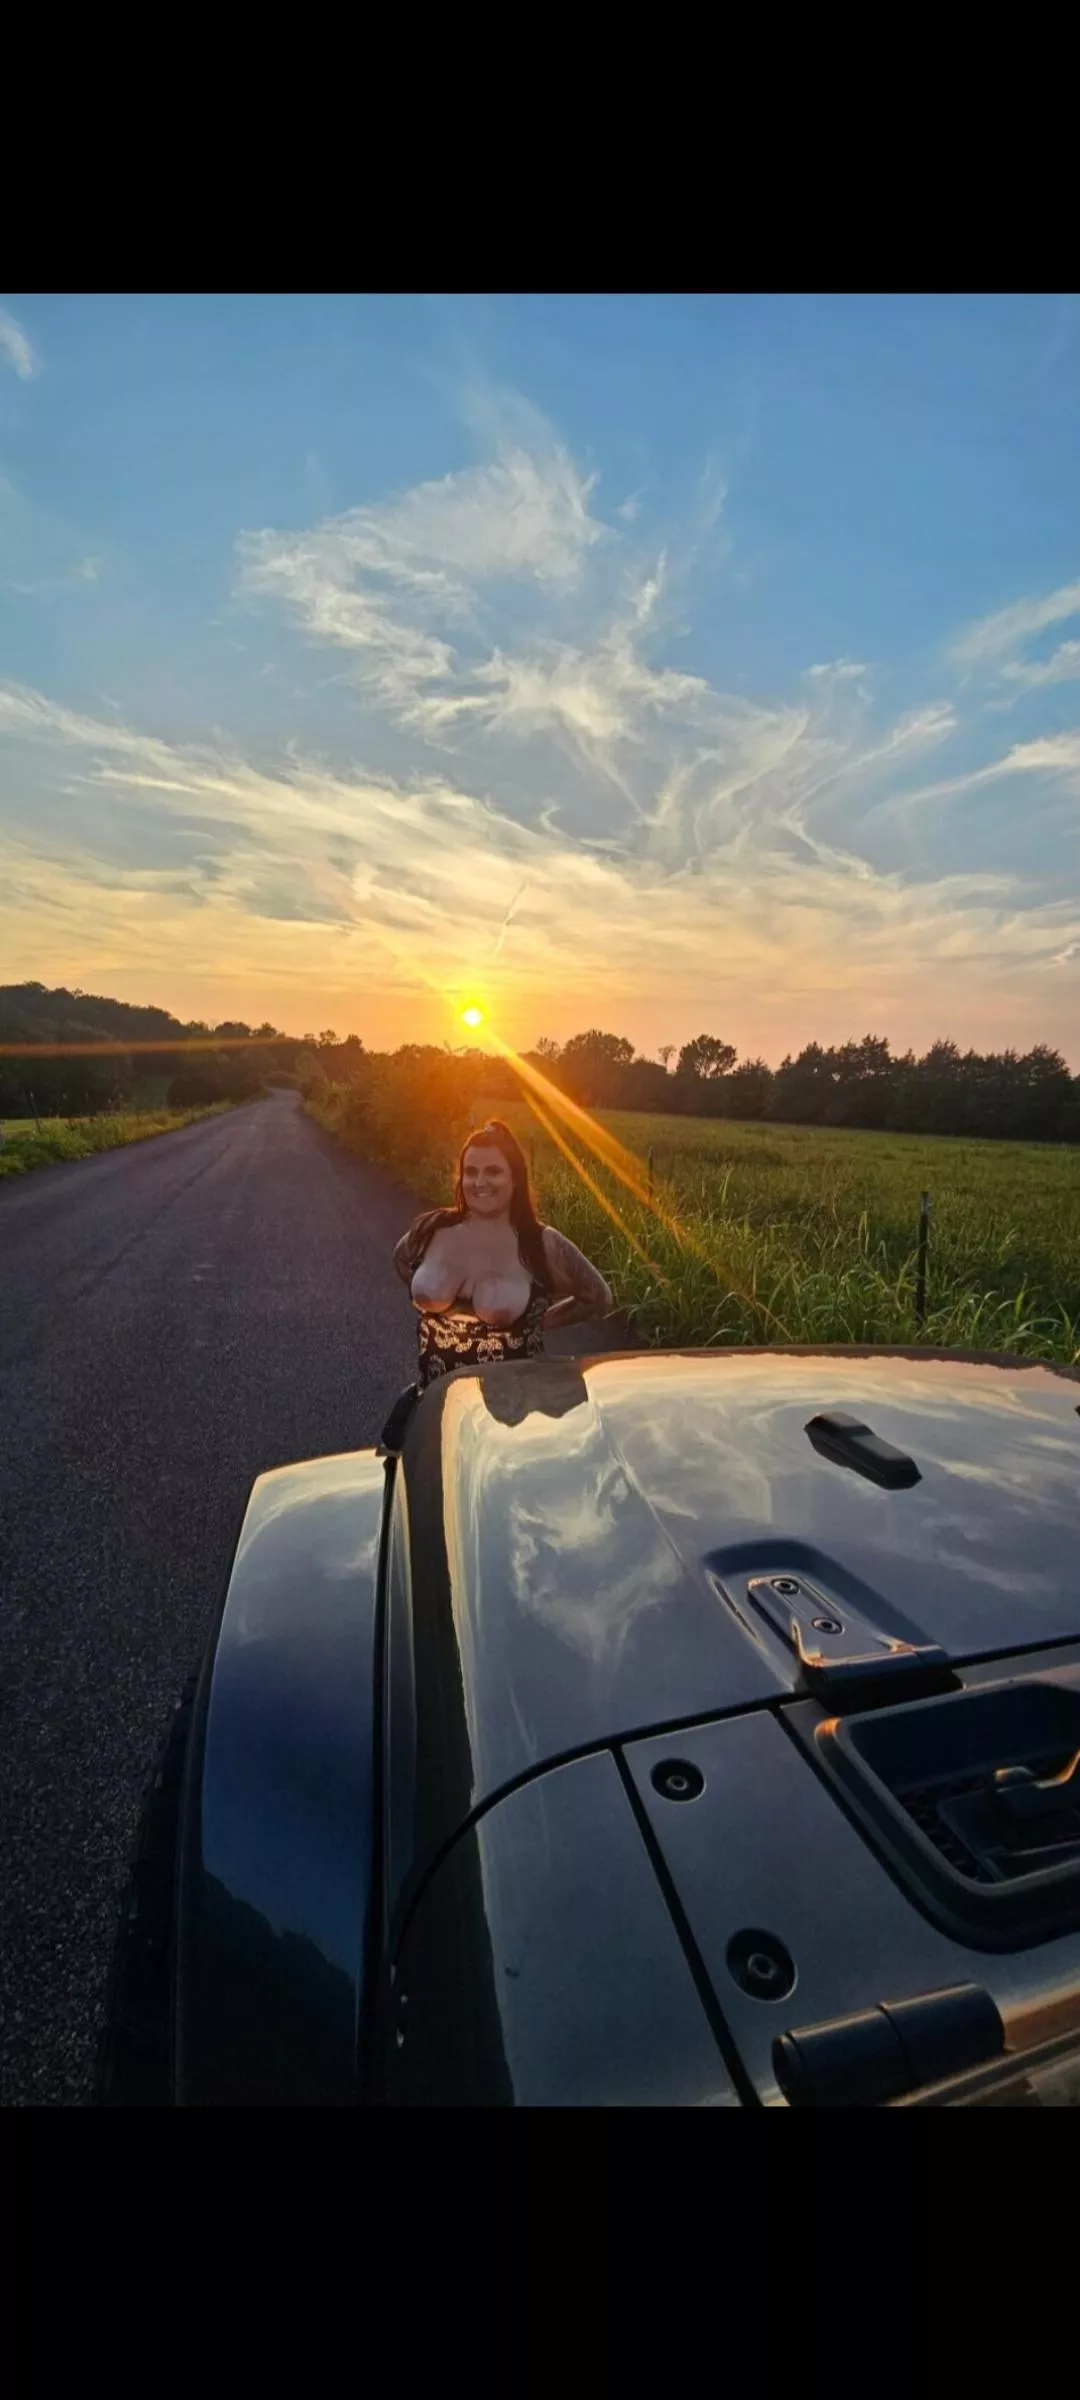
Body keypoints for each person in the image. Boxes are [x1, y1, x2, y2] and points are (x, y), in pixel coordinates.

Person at [379, 1117, 613, 1454]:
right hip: (432, 1409)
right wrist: (425, 1297)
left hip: (510, 1426)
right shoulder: (433, 1228)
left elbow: (598, 1298)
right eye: (471, 1171)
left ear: (515, 1179)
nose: (479, 1182)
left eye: (493, 1171)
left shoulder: (541, 1244)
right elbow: (401, 1259)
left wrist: (542, 1319)